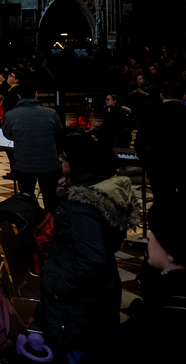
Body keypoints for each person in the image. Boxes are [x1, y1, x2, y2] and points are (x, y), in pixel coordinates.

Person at [36, 132, 140, 361]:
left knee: (76, 354)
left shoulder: (82, 205)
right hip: (99, 292)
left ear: (77, 162)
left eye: (63, 157)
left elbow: (91, 261)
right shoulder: (103, 188)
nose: (60, 161)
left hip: (78, 306)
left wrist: (59, 289)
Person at [116, 195, 186, 359]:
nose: (149, 237)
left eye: (154, 232)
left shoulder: (153, 325)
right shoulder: (160, 289)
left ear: (172, 253)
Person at [1, 83, 64, 213]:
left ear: (19, 96)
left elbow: (8, 135)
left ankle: (31, 222)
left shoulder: (11, 115)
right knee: (51, 199)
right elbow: (58, 133)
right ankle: (51, 223)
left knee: (27, 198)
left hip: (24, 164)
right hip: (49, 163)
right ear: (36, 94)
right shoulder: (51, 113)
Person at [135, 81, 186, 202]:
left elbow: (140, 144)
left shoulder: (151, 114)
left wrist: (148, 163)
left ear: (161, 96)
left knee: (163, 205)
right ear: (183, 96)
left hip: (159, 168)